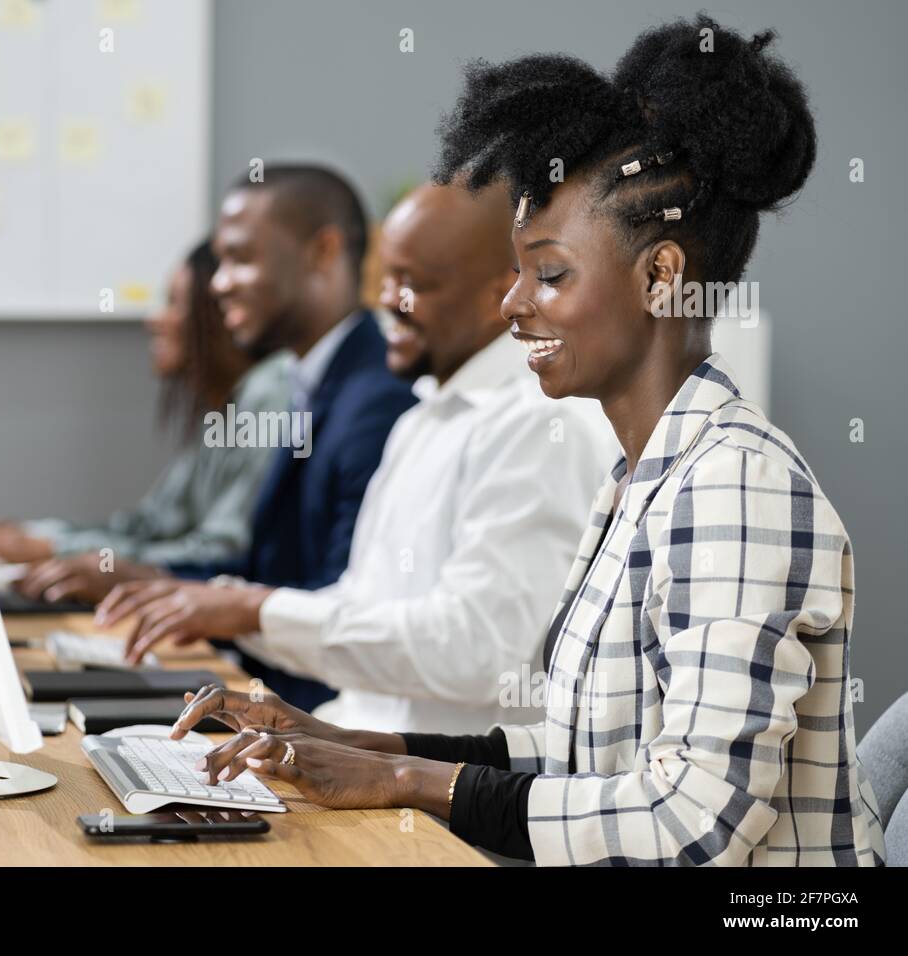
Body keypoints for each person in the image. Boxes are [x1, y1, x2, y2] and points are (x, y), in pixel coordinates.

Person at [169, 18, 887, 866]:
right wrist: (360, 747)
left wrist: (410, 786)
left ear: (661, 278)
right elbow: (596, 759)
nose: (512, 304)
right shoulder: (640, 476)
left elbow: (695, 822)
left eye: (549, 273)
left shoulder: (735, 485)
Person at [97, 182, 614, 735]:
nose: (388, 300)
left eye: (415, 283)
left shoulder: (536, 425)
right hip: (365, 759)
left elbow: (475, 651)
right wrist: (288, 714)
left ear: (502, 294)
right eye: (386, 278)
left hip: (438, 804)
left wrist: (257, 611)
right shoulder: (422, 417)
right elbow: (366, 612)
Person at [106, 164, 419, 711]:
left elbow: (344, 607)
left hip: (320, 719)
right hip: (268, 697)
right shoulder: (309, 382)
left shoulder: (376, 400)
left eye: (240, 258)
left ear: (322, 253)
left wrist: (223, 605)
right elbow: (270, 571)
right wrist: (166, 585)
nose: (219, 283)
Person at [0, 239, 289, 601]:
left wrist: (59, 550)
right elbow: (150, 525)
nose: (154, 319)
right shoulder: (225, 411)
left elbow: (223, 552)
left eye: (174, 303)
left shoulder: (268, 395)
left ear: (222, 312)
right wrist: (38, 538)